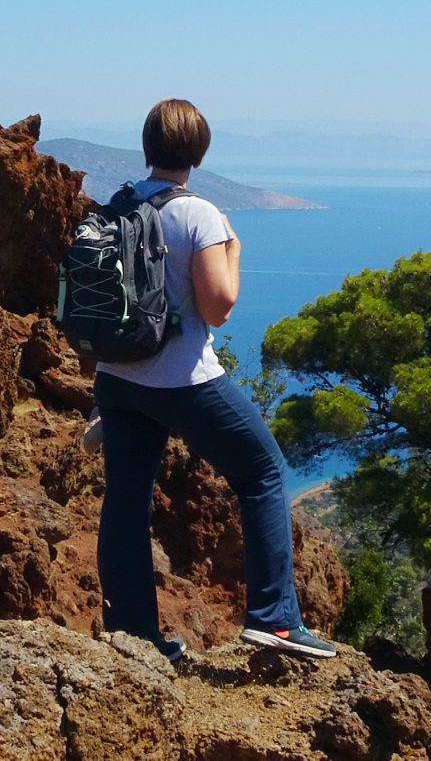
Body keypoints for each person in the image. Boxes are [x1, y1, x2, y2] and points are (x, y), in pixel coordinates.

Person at [91, 98, 337, 661]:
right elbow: (220, 306)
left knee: (125, 500)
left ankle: (134, 636)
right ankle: (274, 620)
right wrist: (234, 249)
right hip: (182, 380)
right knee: (263, 472)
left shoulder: (117, 205)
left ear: (148, 145)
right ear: (199, 153)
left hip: (117, 377)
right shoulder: (196, 213)